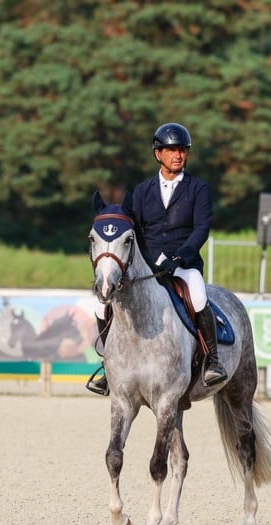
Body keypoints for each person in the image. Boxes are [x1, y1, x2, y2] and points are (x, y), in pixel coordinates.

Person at [87, 122, 227, 396]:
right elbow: (135, 231)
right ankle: (108, 366)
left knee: (198, 296)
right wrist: (145, 261)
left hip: (182, 266)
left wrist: (180, 257)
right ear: (158, 154)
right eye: (171, 150)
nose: (178, 155)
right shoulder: (141, 191)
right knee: (105, 304)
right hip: (148, 266)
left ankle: (213, 361)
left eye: (182, 150)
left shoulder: (199, 189)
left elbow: (201, 229)